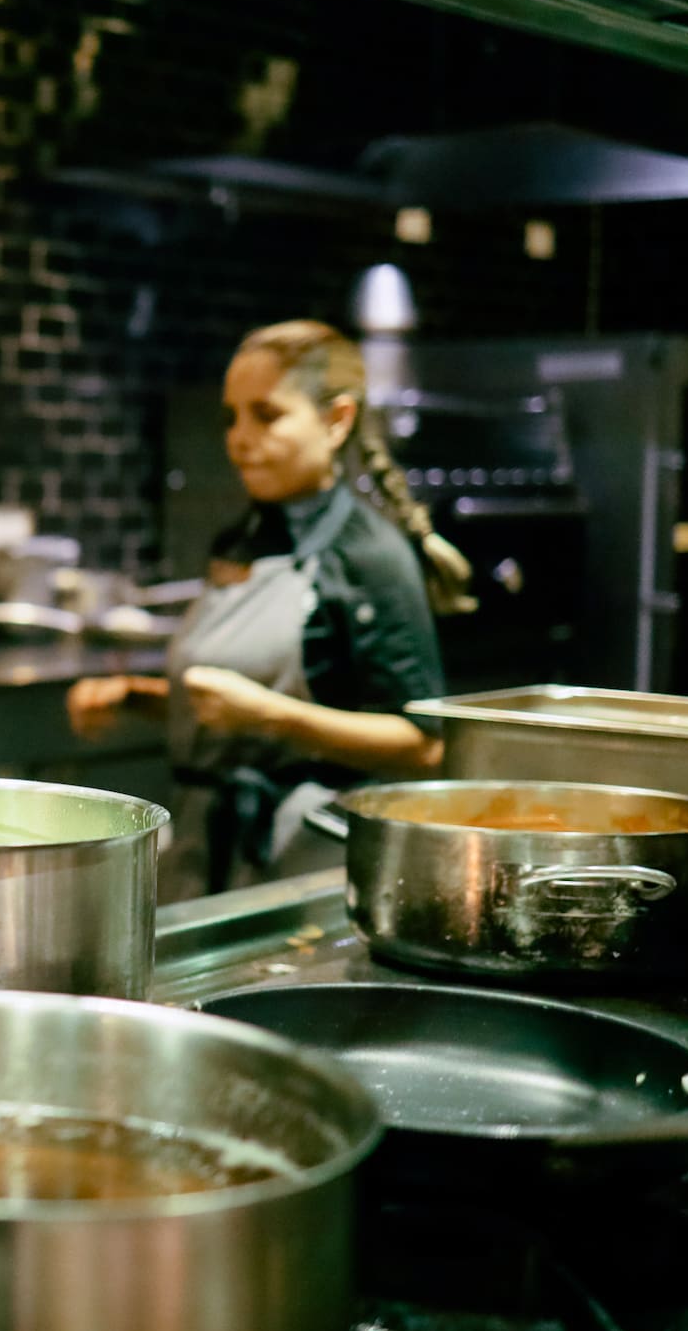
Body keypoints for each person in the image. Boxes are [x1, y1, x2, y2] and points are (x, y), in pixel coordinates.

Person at [67, 319, 470, 900]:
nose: (239, 438)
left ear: (337, 421)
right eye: (231, 417)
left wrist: (270, 716)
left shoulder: (370, 557)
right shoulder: (241, 540)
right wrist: (136, 697)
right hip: (206, 853)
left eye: (267, 415)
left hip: (305, 867)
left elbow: (424, 746)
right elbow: (234, 704)